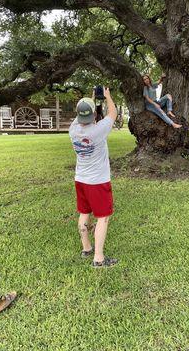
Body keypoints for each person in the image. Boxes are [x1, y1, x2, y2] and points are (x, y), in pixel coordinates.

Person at [69, 88, 118, 268]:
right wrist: (107, 96)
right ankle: (98, 258)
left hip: (80, 179)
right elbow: (113, 113)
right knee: (103, 218)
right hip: (97, 181)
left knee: (84, 212)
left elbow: (81, 114)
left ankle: (86, 248)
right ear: (92, 114)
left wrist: (89, 100)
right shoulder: (99, 130)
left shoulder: (73, 130)